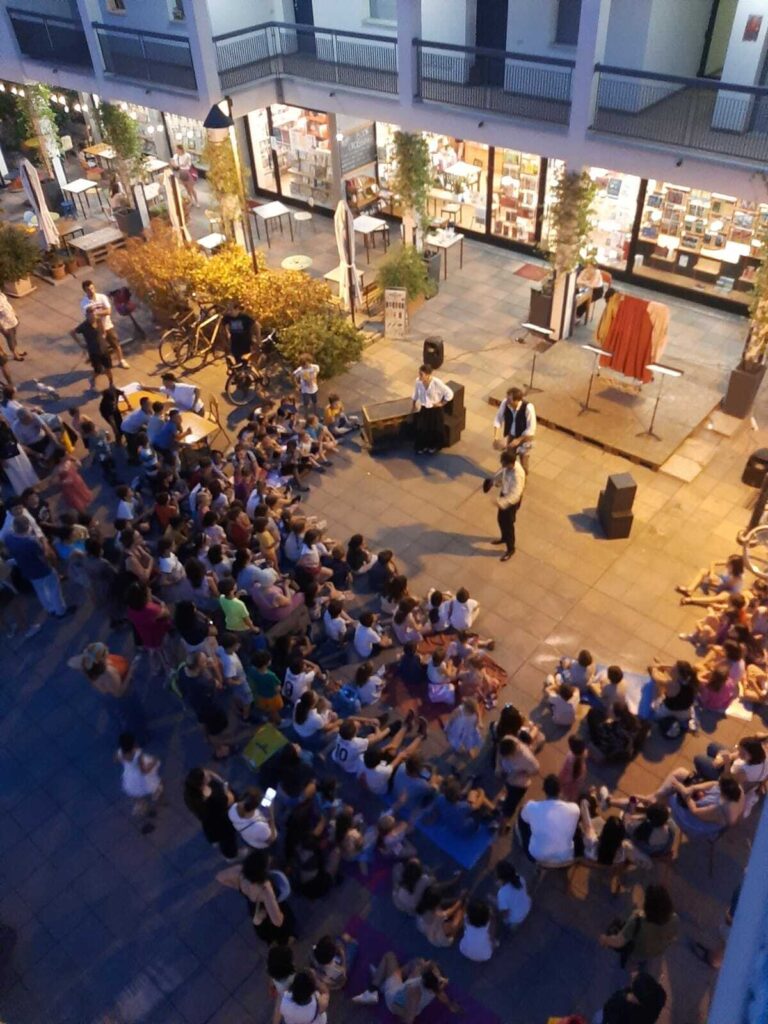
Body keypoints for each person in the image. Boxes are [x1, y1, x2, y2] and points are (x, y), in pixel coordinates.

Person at [216, 848, 295, 945]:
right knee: (280, 925)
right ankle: (284, 940)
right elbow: (277, 921)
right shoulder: (265, 889)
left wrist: (238, 886)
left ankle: (268, 938)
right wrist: (280, 914)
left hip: (252, 905)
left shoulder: (240, 871)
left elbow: (220, 877)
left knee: (260, 923)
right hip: (265, 908)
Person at [352, 953, 460, 1018]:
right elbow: (442, 995)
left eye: (428, 966)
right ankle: (384, 980)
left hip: (393, 998)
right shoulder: (435, 987)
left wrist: (397, 1007)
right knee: (416, 962)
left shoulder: (415, 989)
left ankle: (373, 990)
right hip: (404, 998)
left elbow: (408, 1018)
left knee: (389, 956)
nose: (427, 963)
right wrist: (450, 1005)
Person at [4, 514, 69, 619]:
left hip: (27, 571)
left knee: (41, 591)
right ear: (27, 527)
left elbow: (8, 551)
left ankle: (50, 608)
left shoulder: (8, 538)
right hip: (42, 570)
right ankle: (61, 611)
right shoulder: (31, 541)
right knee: (54, 590)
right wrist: (50, 563)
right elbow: (43, 557)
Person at [598, 884, 679, 969]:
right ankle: (640, 962)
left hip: (638, 950)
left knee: (617, 926)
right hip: (656, 951)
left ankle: (631, 960)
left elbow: (618, 942)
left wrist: (605, 939)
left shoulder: (637, 921)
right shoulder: (675, 919)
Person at [517, 774, 580, 864]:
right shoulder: (574, 809)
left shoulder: (531, 807)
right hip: (565, 857)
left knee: (522, 815)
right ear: (560, 790)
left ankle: (523, 840)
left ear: (544, 790)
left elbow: (524, 816)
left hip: (536, 855)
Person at [183, 767, 238, 860]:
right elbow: (230, 799)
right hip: (222, 822)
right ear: (202, 784)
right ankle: (231, 856)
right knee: (228, 840)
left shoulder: (190, 794)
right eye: (206, 776)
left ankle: (219, 844)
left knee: (220, 838)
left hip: (210, 824)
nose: (209, 774)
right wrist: (225, 785)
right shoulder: (213, 798)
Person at [483, 448, 525, 561]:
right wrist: (494, 482)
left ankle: (511, 549)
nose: (503, 466)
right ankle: (504, 538)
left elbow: (516, 494)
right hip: (504, 494)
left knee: (509, 525)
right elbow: (502, 477)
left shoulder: (518, 474)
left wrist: (501, 502)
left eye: (504, 464)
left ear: (511, 463)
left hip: (511, 501)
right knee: (501, 520)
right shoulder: (507, 467)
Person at [116, 732, 162, 833]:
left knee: (138, 799)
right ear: (133, 744)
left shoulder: (120, 752)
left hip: (130, 778)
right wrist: (154, 762)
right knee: (154, 786)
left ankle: (142, 813)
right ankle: (152, 803)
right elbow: (144, 771)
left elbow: (116, 760)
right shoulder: (137, 754)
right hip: (140, 778)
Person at [80, 280, 128, 368]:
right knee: (100, 349)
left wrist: (96, 314)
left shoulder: (102, 297)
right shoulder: (84, 303)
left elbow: (108, 311)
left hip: (107, 325)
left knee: (115, 343)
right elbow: (89, 317)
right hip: (96, 329)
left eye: (92, 288)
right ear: (85, 291)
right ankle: (104, 365)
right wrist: (99, 313)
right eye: (88, 289)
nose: (91, 291)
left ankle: (121, 360)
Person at [411, 363, 453, 455]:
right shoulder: (418, 381)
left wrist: (441, 403)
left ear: (428, 374)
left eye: (421, 374)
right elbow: (416, 393)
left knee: (435, 429)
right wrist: (413, 404)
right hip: (424, 408)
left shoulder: (437, 382)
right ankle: (423, 446)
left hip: (435, 410)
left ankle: (434, 446)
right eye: (419, 374)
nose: (420, 376)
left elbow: (449, 393)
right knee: (422, 428)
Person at [492, 386, 536, 473]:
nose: (507, 401)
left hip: (524, 437)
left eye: (510, 400)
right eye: (507, 398)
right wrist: (496, 438)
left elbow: (531, 429)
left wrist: (519, 440)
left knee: (524, 461)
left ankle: (522, 480)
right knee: (508, 459)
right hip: (511, 435)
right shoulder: (505, 403)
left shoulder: (528, 408)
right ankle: (506, 477)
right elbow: (498, 418)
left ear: (517, 400)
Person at [595, 973, 667, 1024]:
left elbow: (610, 1008)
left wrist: (624, 996)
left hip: (609, 1016)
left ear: (636, 999)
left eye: (633, 984)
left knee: (597, 1017)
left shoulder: (625, 1007)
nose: (633, 974)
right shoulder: (656, 999)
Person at [495, 860, 531, 930]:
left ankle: (514, 926)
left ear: (500, 879)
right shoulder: (520, 878)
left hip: (517, 918)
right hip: (527, 905)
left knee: (506, 921)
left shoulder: (502, 893)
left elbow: (505, 914)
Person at [0, 291, 25, 359]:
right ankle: (15, 355)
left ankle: (17, 350)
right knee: (10, 339)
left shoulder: (1, 294)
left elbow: (7, 304)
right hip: (5, 324)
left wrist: (15, 314)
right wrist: (2, 328)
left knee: (13, 337)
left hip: (12, 319)